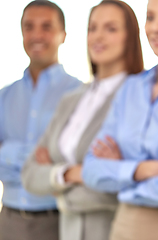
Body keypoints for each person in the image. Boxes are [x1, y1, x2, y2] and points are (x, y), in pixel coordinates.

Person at [21, 1, 143, 240]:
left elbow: (128, 184)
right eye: (92, 28)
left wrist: (58, 191)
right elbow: (29, 173)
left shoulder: (137, 97)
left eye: (110, 28)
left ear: (130, 36)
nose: (98, 36)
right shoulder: (71, 99)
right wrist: (68, 174)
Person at [82, 0, 158, 239]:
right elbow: (91, 169)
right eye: (150, 17)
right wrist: (144, 169)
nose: (156, 28)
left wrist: (121, 175)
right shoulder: (130, 88)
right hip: (124, 225)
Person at [0, 1, 81, 240]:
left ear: (63, 35)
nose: (36, 35)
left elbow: (75, 163)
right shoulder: (4, 96)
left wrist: (8, 153)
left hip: (58, 222)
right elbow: (55, 164)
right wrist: (39, 162)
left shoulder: (79, 94)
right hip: (8, 221)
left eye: (46, 26)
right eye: (29, 26)